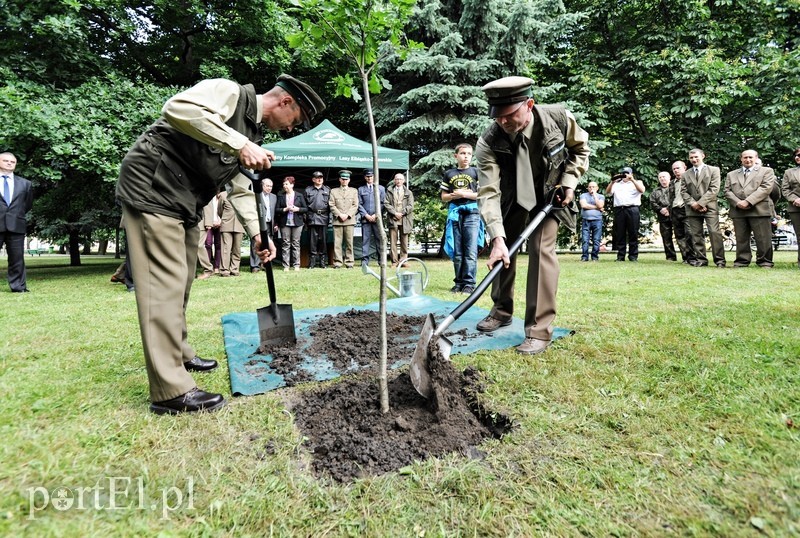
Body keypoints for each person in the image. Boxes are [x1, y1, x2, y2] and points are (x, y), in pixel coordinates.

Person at [115, 74, 324, 415]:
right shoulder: (229, 93)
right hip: (153, 188)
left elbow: (241, 189)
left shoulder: (252, 133)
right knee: (162, 286)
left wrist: (258, 235)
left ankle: (179, 352)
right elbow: (177, 108)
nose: (290, 129)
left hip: (184, 200)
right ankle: (170, 389)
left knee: (180, 282)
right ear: (285, 102)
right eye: (295, 121)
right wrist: (238, 143)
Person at [474, 76, 590, 354]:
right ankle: (501, 311)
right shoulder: (488, 141)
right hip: (512, 198)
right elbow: (488, 191)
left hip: (550, 196)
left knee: (541, 251)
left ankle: (538, 330)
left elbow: (580, 150)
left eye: (510, 115)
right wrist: (496, 237)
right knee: (503, 251)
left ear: (529, 104)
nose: (503, 122)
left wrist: (570, 182)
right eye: (497, 116)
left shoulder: (559, 119)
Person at [724, 149, 775, 268]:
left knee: (763, 238)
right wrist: (738, 202)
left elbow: (766, 188)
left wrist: (748, 201)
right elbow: (727, 191)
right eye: (745, 157)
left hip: (759, 210)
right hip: (738, 210)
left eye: (750, 157)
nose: (748, 160)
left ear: (756, 158)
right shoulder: (731, 174)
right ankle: (742, 261)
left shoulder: (766, 171)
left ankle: (765, 262)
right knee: (741, 238)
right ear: (741, 159)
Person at [441, 143, 481, 294]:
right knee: (457, 252)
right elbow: (444, 197)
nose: (466, 156)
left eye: (469, 154)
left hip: (472, 214)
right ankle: (458, 282)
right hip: (455, 214)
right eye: (463, 153)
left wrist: (463, 194)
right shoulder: (449, 174)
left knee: (470, 251)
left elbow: (481, 195)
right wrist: (453, 195)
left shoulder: (476, 172)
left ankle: (469, 283)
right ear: (456, 155)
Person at [681, 148, 726, 267]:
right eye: (691, 158)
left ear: (703, 156)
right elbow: (684, 192)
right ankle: (701, 260)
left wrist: (700, 203)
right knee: (696, 234)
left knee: (714, 232)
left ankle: (720, 260)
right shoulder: (685, 174)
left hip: (710, 206)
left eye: (696, 157)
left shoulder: (714, 170)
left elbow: (714, 189)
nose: (694, 159)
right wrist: (693, 204)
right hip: (692, 208)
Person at [0, 152, 33, 293]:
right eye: (5, 160)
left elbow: (27, 204)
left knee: (17, 258)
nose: (9, 163)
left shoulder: (25, 183)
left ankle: (18, 286)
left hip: (16, 225)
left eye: (12, 162)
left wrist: (16, 215)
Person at [605, 167, 645, 262]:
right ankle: (620, 256)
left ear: (631, 174)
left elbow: (642, 190)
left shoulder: (637, 182)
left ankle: (633, 256)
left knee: (633, 233)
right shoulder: (617, 184)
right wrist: (612, 181)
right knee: (620, 233)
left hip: (632, 209)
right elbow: (608, 193)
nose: (625, 175)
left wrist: (632, 180)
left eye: (627, 173)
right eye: (623, 173)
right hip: (620, 209)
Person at [276, 176, 307, 271]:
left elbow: (305, 209)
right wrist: (285, 209)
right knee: (285, 243)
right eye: (284, 184)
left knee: (296, 243)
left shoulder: (299, 195)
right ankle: (286, 266)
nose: (285, 186)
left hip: (297, 223)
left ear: (292, 185)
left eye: (287, 184)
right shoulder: (281, 196)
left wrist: (297, 209)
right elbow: (277, 210)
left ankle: (296, 265)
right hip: (285, 223)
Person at [329, 169, 359, 268]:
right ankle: (337, 262)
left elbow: (355, 205)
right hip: (338, 221)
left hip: (349, 220)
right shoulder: (333, 191)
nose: (344, 181)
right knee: (337, 243)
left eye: (346, 179)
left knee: (349, 243)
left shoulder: (354, 191)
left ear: (349, 180)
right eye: (343, 179)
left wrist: (347, 215)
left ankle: (349, 262)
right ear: (339, 180)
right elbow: (331, 204)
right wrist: (339, 214)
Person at [357, 168, 385, 267]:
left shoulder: (381, 188)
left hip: (377, 219)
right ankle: (365, 261)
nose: (369, 178)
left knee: (379, 240)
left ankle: (381, 260)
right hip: (366, 219)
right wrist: (366, 215)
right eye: (368, 176)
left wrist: (376, 214)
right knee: (365, 240)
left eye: (371, 176)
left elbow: (383, 203)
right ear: (365, 177)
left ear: (374, 177)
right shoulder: (360, 189)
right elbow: (359, 204)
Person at [385, 172, 414, 266]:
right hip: (393, 219)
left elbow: (411, 206)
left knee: (404, 242)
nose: (398, 181)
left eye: (400, 179)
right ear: (394, 180)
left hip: (405, 220)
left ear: (404, 181)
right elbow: (386, 204)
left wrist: (401, 213)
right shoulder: (389, 191)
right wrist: (394, 213)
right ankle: (394, 262)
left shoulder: (409, 193)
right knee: (393, 242)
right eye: (397, 179)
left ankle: (403, 261)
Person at [670, 160, 696, 264]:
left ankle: (693, 257)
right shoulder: (672, 183)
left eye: (678, 168)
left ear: (684, 168)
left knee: (690, 234)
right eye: (674, 169)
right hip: (675, 210)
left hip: (687, 209)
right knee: (679, 235)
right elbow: (670, 197)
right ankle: (685, 258)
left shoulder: (691, 179)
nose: (676, 170)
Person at [249, 177, 277, 272]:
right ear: (262, 185)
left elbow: (275, 212)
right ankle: (255, 266)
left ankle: (265, 264)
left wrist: (275, 224)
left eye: (271, 186)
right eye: (267, 186)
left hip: (269, 223)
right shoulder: (256, 195)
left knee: (268, 244)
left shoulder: (274, 197)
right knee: (256, 243)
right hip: (258, 223)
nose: (269, 188)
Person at [304, 170, 331, 268]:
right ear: (313, 179)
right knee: (312, 241)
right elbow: (305, 206)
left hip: (324, 217)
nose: (319, 179)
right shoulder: (308, 190)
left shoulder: (328, 190)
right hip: (312, 217)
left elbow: (331, 205)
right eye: (317, 178)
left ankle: (323, 262)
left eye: (321, 178)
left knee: (323, 241)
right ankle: (312, 262)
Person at [650, 171, 677, 261]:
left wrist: (669, 209)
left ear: (669, 177)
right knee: (666, 237)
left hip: (676, 214)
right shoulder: (655, 191)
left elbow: (677, 199)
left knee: (681, 235)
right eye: (660, 177)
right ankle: (670, 257)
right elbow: (653, 202)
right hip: (662, 216)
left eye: (664, 177)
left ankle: (687, 256)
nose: (662, 179)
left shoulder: (675, 188)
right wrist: (660, 209)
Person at [217, 189, 245, 276]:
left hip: (239, 224)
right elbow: (219, 210)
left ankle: (234, 269)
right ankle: (224, 270)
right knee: (226, 248)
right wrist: (225, 218)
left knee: (237, 249)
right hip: (226, 224)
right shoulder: (223, 195)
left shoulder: (242, 194)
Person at [780, 147, 800, 268]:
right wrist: (795, 199)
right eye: (796, 155)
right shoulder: (789, 172)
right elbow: (785, 189)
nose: (797, 157)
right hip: (796, 207)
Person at [578, 181, 604, 262]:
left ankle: (595, 257)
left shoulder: (601, 196)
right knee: (585, 240)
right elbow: (584, 205)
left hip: (597, 220)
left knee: (596, 240)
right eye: (590, 187)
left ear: (597, 188)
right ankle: (585, 257)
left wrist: (595, 195)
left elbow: (600, 205)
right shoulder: (583, 195)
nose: (591, 188)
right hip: (586, 220)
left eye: (593, 187)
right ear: (587, 188)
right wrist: (597, 208)